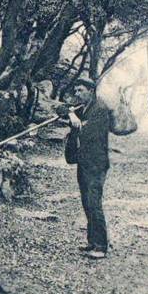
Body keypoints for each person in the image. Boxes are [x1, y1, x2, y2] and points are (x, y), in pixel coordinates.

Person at [58, 78, 121, 259]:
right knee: (86, 203)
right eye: (75, 91)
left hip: (96, 163)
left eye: (80, 90)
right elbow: (60, 109)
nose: (77, 94)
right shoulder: (83, 107)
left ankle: (101, 246)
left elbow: (88, 133)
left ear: (91, 91)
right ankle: (92, 242)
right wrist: (70, 113)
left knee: (94, 203)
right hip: (84, 162)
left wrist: (74, 120)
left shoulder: (100, 109)